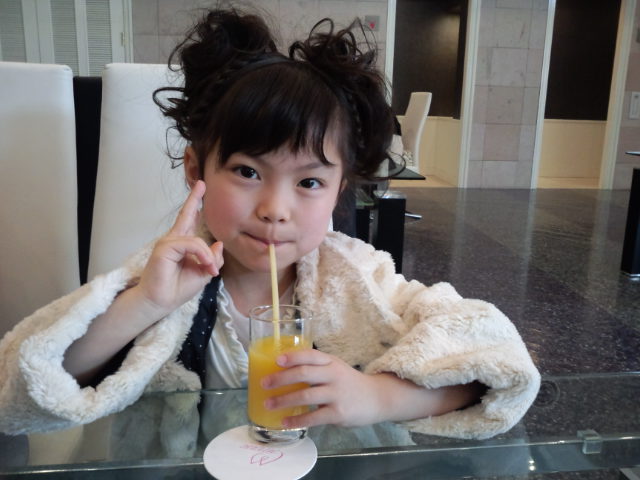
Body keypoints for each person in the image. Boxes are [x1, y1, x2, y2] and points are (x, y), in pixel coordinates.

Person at [0, 7, 539, 446]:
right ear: (197, 169)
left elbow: (498, 363)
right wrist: (144, 304)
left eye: (309, 182)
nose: (275, 209)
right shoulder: (164, 278)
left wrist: (376, 395)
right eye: (247, 172)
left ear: (339, 190)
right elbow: (21, 390)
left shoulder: (360, 277)